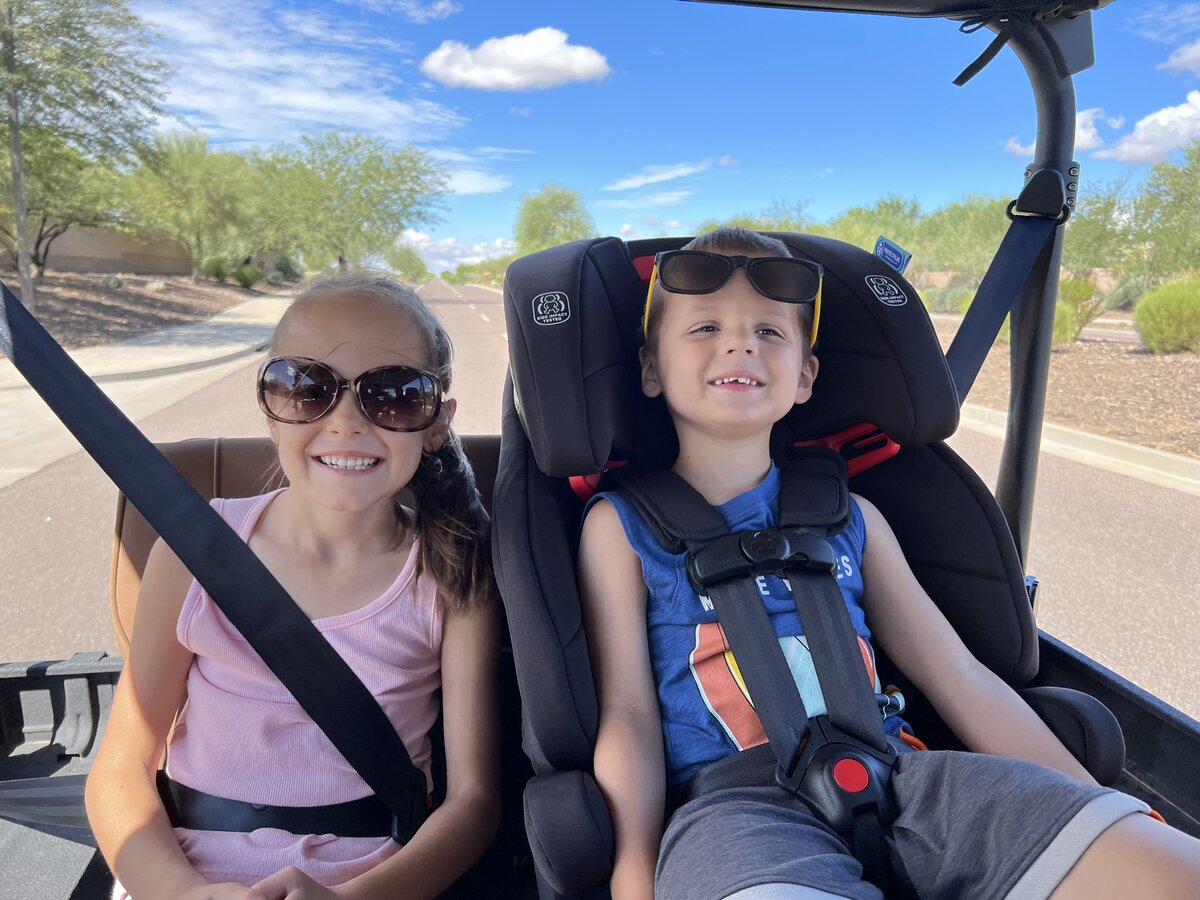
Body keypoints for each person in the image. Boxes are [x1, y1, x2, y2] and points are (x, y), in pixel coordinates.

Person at [578, 227, 1200, 900]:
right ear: (650, 368)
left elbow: (957, 675)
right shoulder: (621, 528)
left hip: (904, 779)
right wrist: (632, 868)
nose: (740, 344)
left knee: (1169, 868)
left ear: (805, 377)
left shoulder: (855, 519)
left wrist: (1099, 800)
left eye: (770, 331)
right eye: (705, 327)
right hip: (735, 816)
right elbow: (629, 715)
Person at [86, 274, 500, 900]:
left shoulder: (449, 574)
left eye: (393, 394)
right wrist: (180, 892)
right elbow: (122, 766)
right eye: (308, 389)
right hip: (182, 871)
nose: (347, 423)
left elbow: (473, 803)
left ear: (437, 422)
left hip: (371, 879)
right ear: (270, 410)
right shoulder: (193, 552)